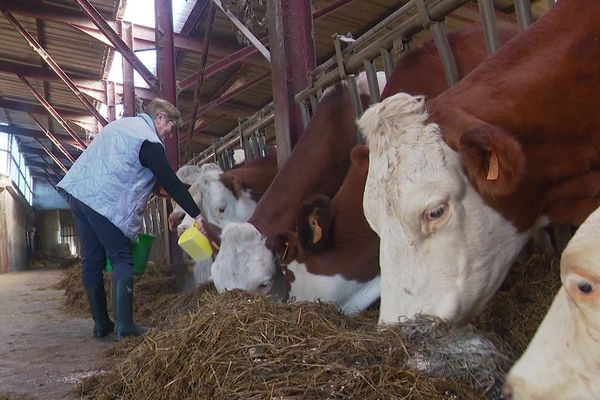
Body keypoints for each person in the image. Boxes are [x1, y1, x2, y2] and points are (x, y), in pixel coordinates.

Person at [57, 98, 202, 341]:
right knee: (122, 256)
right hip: (102, 202)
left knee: (91, 260)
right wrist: (198, 214)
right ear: (160, 119)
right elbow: (171, 183)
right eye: (170, 128)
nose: (168, 134)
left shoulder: (120, 126)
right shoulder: (148, 141)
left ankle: (101, 324)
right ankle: (125, 326)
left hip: (79, 195)